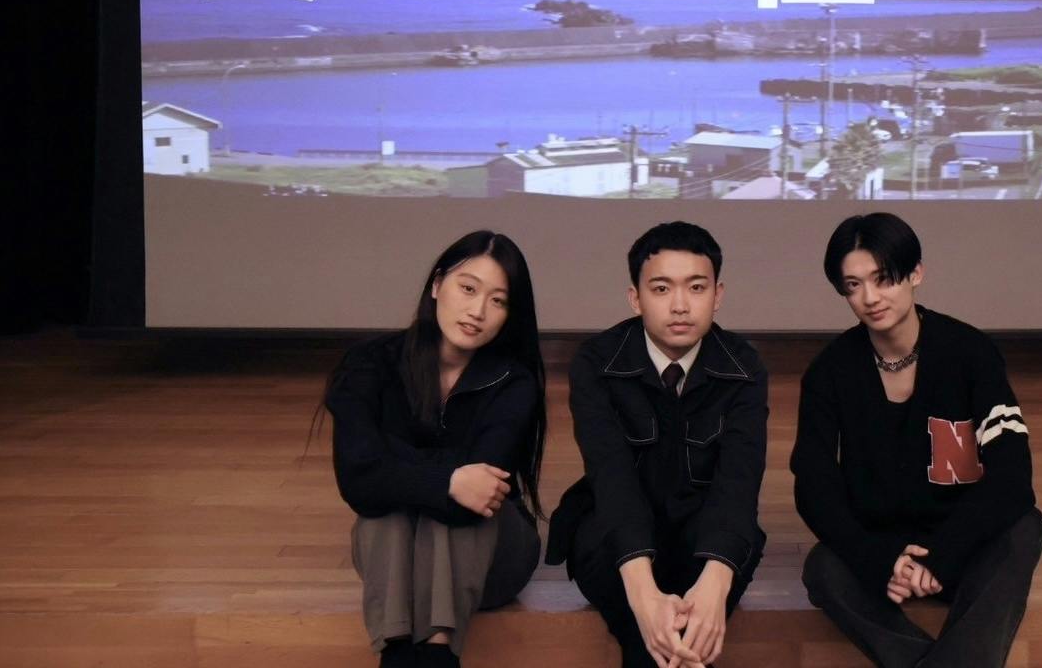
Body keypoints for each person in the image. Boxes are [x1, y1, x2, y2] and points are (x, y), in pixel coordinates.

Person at [791, 212, 1042, 668]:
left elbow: (1012, 476)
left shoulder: (971, 353)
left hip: (962, 540)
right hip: (883, 548)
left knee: (1026, 527)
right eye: (853, 286)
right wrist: (881, 560)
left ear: (916, 273)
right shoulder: (830, 371)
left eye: (883, 279)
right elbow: (813, 485)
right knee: (823, 568)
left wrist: (941, 557)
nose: (870, 298)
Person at [546, 221, 768, 668]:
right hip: (612, 533)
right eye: (662, 289)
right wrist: (643, 592)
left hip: (705, 531)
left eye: (697, 287)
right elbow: (611, 477)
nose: (680, 305)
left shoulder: (744, 367)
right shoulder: (597, 363)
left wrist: (716, 582)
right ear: (636, 298)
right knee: (629, 590)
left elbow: (739, 485)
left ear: (718, 295)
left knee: (718, 568)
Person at [323, 231, 547, 668]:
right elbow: (357, 478)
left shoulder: (514, 382)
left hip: (493, 558)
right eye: (468, 289)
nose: (477, 311)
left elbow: (479, 493)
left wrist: (392, 459)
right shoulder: (370, 363)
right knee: (387, 511)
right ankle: (399, 653)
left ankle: (437, 650)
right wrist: (449, 478)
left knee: (463, 506)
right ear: (437, 284)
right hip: (396, 560)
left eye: (498, 301)